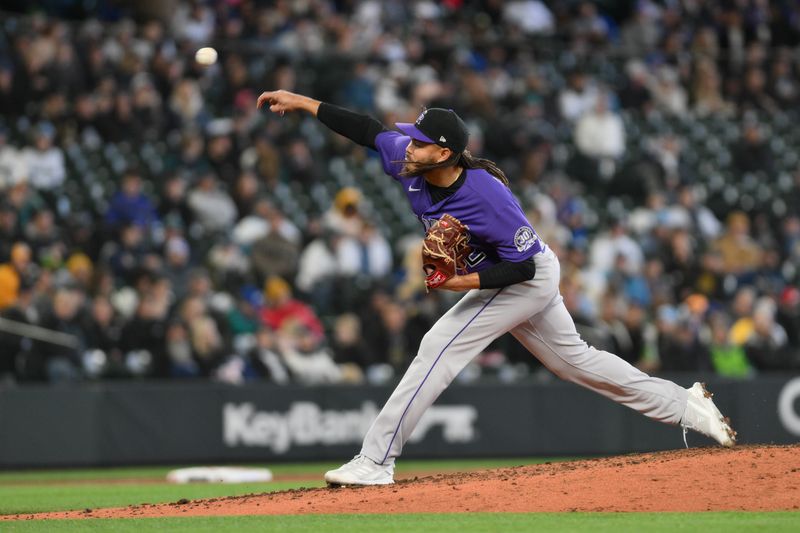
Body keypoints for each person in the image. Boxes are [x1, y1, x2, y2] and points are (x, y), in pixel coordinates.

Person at [256, 90, 737, 487]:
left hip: (526, 273)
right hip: (515, 273)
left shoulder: (484, 194)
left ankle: (376, 460)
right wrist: (301, 102)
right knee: (576, 362)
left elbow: (524, 270)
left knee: (438, 345)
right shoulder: (407, 161)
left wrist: (458, 282)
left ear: (443, 154)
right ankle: (687, 406)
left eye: (419, 142)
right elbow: (364, 127)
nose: (408, 146)